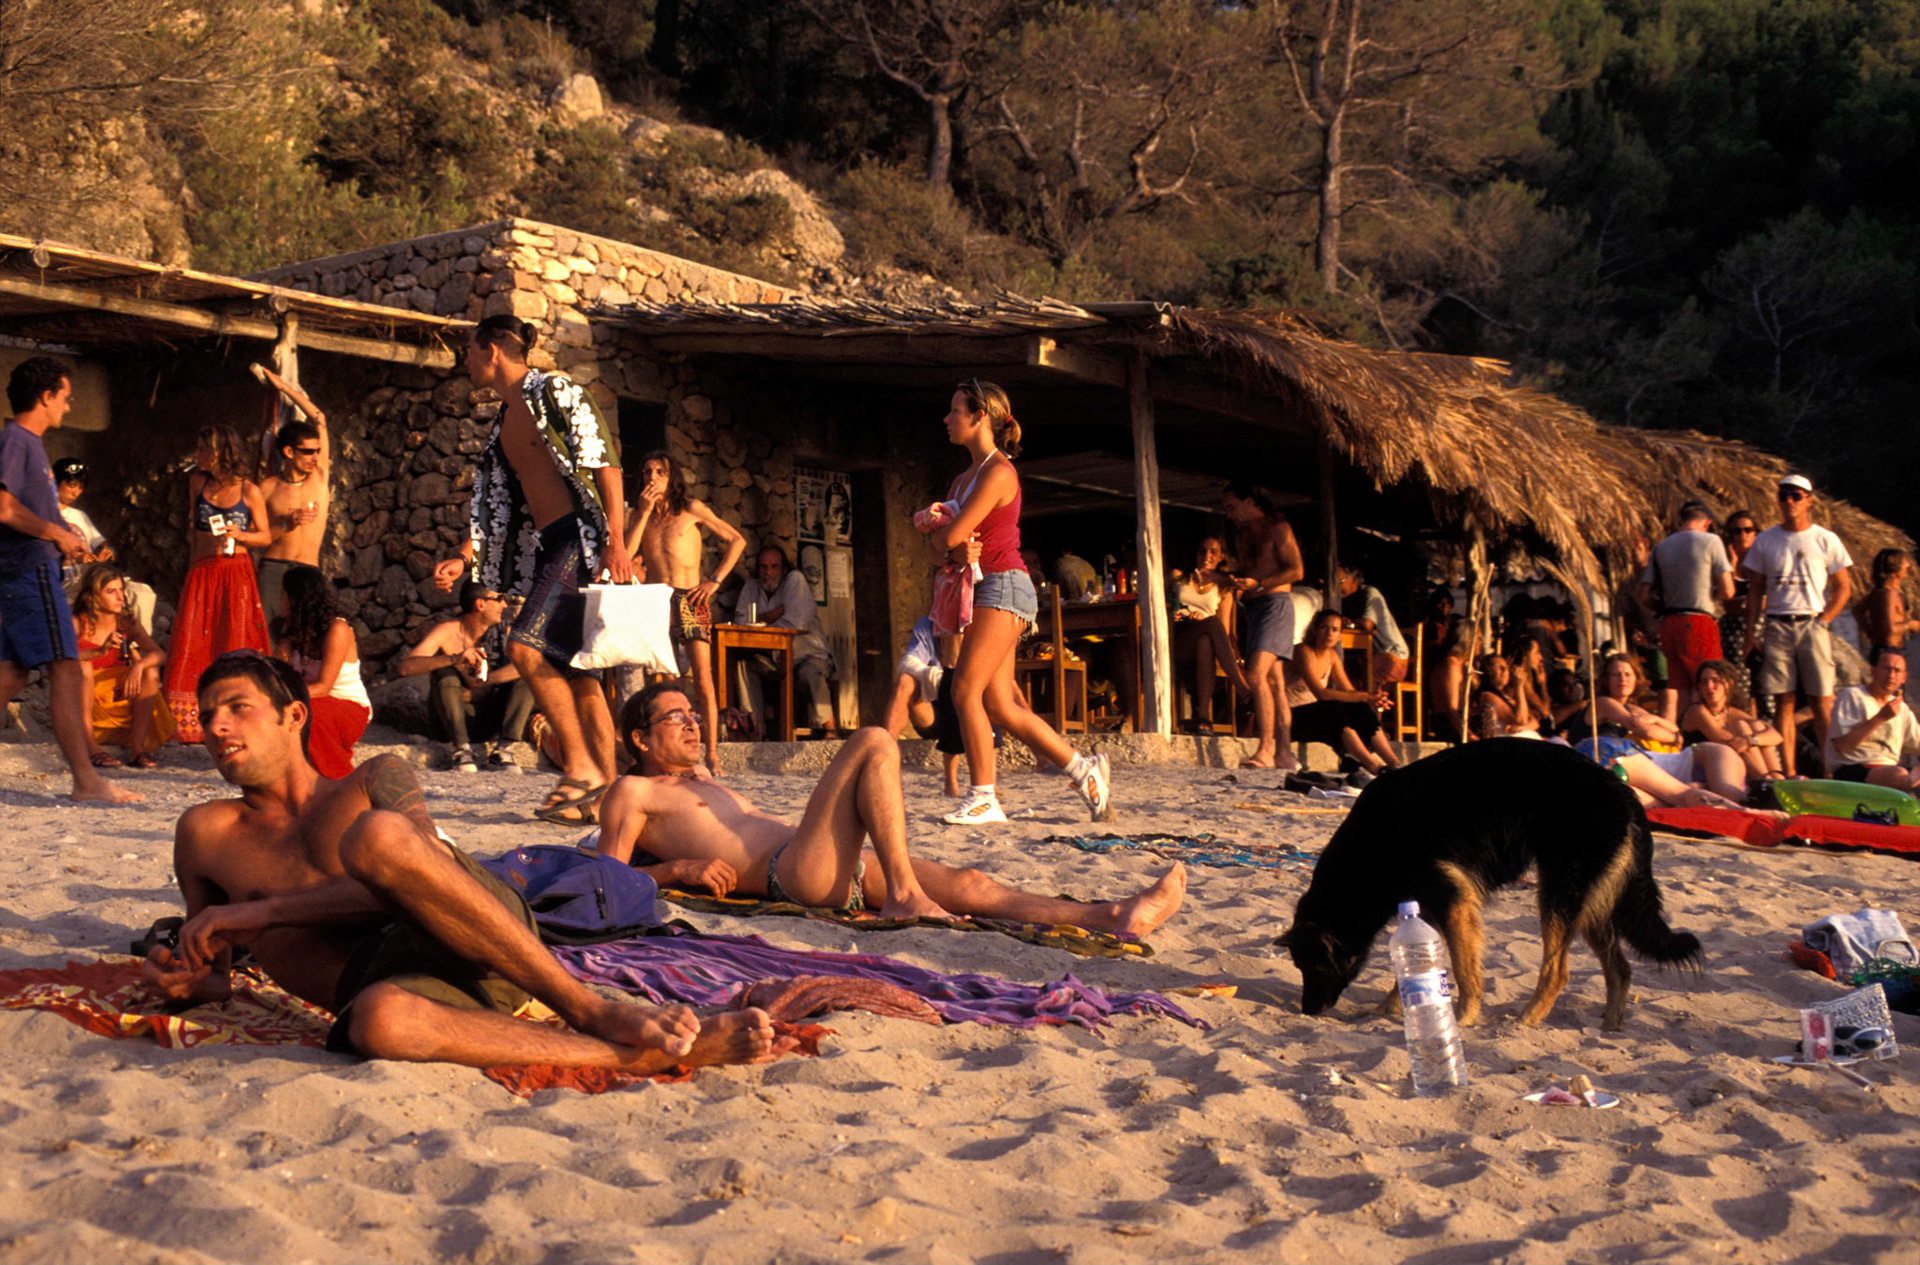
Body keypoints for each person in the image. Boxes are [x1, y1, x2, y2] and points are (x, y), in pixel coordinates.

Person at [142, 652, 775, 1072]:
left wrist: (268, 912)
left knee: (377, 838)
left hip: (478, 935)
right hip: (392, 985)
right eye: (209, 715)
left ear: (294, 716)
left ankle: (591, 1008)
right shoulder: (205, 833)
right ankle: (627, 1057)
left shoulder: (372, 778)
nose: (216, 727)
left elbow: (418, 872)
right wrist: (190, 980)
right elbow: (215, 966)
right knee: (378, 1025)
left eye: (237, 708)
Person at [597, 684, 1186, 935]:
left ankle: (1112, 916)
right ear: (641, 741)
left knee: (970, 882)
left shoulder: (700, 778)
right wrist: (676, 872)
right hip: (791, 875)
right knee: (876, 739)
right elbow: (600, 882)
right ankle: (904, 893)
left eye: (694, 714)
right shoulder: (632, 793)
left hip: (828, 862)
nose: (693, 723)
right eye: (676, 718)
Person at [435, 316, 633, 825]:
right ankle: (604, 796)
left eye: (469, 349)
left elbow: (605, 463)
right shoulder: (505, 419)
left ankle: (583, 767)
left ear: (493, 349)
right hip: (548, 544)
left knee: (525, 647)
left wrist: (615, 542)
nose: (465, 359)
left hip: (579, 538)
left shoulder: (555, 390)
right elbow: (502, 507)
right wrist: (465, 556)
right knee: (579, 671)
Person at [924, 380, 1112, 825]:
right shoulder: (962, 478)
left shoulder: (998, 473)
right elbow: (937, 551)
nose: (946, 419)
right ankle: (1084, 770)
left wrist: (944, 543)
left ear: (979, 417)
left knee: (963, 689)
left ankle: (984, 796)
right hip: (987, 587)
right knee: (1002, 705)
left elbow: (947, 537)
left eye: (954, 410)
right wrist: (944, 546)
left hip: (1005, 586)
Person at [0, 360, 140, 803]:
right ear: (45, 396)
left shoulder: (29, 445)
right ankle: (86, 780)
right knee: (66, 669)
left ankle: (86, 779)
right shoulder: (17, 440)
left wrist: (65, 538)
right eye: (64, 395)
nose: (69, 402)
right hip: (30, 571)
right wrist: (56, 533)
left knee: (11, 673)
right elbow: (2, 508)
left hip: (23, 568)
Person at [627, 449, 745, 775]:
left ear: (671, 477)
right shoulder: (642, 515)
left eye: (659, 472)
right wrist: (643, 511)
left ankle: (712, 755)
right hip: (656, 598)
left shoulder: (691, 509)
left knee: (703, 678)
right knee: (659, 679)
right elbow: (627, 553)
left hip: (690, 597)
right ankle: (663, 753)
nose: (652, 478)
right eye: (647, 472)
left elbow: (736, 540)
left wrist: (714, 581)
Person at [161, 424, 273, 743]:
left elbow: (264, 536)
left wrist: (241, 536)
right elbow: (192, 530)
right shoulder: (197, 482)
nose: (197, 455)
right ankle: (188, 723)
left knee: (234, 638)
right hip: (203, 571)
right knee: (194, 640)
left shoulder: (249, 491)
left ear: (220, 452)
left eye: (202, 449)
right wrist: (193, 571)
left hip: (235, 571)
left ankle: (241, 717)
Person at [1740, 474, 1854, 778]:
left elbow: (1843, 586)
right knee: (1784, 700)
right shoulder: (1766, 540)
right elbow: (1755, 588)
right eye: (1783, 495)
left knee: (1821, 701)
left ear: (1809, 500)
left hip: (1811, 621)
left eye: (1795, 495)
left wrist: (1824, 620)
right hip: (1777, 622)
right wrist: (1752, 632)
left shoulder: (1824, 538)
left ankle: (1832, 771)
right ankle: (1789, 771)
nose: (1789, 501)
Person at [399, 580, 532, 772]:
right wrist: (454, 660)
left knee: (526, 677)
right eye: (500, 599)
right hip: (451, 720)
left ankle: (504, 749)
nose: (505, 605)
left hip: (489, 717)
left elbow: (527, 666)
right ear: (480, 604)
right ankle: (461, 750)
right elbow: (406, 667)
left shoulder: (505, 632)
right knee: (444, 673)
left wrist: (484, 683)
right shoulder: (448, 631)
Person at [1221, 483, 1305, 771]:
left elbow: (1296, 570)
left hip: (1276, 604)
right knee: (1275, 683)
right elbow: (1249, 573)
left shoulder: (1279, 528)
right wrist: (1226, 579)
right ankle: (1284, 754)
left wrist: (1259, 584)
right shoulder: (1245, 535)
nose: (1229, 514)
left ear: (1249, 501)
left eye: (1232, 506)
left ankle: (1266, 749)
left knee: (1255, 675)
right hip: (1255, 608)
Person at [1637, 501, 1734, 722]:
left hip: (1669, 624)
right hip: (1698, 621)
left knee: (1680, 692)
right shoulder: (1711, 541)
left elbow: (1644, 596)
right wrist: (1711, 596)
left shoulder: (1662, 547)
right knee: (1712, 687)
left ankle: (1684, 742)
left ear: (1680, 522)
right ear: (1707, 523)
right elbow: (1728, 590)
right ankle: (1711, 739)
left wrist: (1663, 606)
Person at [271, 564, 370, 780]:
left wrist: (282, 699)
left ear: (295, 599)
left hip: (345, 705)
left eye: (283, 595)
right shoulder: (293, 628)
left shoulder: (337, 629)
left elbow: (325, 686)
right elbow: (278, 674)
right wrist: (285, 636)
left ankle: (337, 779)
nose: (280, 601)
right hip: (307, 698)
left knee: (307, 712)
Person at [252, 364, 331, 629]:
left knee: (308, 637)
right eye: (308, 452)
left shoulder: (319, 478)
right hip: (273, 570)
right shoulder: (268, 487)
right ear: (288, 452)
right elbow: (253, 537)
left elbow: (318, 417)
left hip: (308, 569)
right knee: (269, 637)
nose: (315, 457)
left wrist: (284, 387)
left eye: (317, 451)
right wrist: (286, 524)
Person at [70, 563, 172, 769]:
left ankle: (137, 750)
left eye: (120, 591)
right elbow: (60, 659)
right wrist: (99, 652)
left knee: (150, 671)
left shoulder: (125, 622)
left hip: (119, 694)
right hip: (85, 698)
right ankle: (91, 747)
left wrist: (139, 665)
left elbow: (160, 653)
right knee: (84, 667)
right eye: (111, 592)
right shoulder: (78, 622)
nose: (120, 597)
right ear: (94, 595)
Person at [731, 545, 836, 739]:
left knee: (809, 672)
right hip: (773, 659)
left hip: (806, 655)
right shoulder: (751, 587)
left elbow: (794, 623)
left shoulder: (795, 581)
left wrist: (759, 622)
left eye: (774, 566)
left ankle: (829, 729)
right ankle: (755, 727)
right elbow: (740, 622)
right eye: (763, 567)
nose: (768, 572)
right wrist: (771, 615)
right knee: (743, 664)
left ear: (784, 568)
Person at [1286, 610, 1402, 782]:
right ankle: (1374, 766)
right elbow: (1321, 693)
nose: (1329, 633)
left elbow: (1348, 691)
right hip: (1291, 718)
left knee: (1358, 707)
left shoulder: (1331, 655)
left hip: (1316, 715)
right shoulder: (1303, 651)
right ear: (1314, 630)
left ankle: (1395, 765)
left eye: (1334, 630)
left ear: (1340, 636)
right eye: (1324, 628)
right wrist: (1365, 697)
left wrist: (1373, 698)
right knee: (1331, 707)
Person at [52, 458, 157, 630]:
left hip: (91, 576)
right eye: (72, 485)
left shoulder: (80, 516)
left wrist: (106, 550)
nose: (77, 492)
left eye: (81, 486)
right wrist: (76, 557)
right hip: (64, 578)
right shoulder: (41, 515)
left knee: (142, 593)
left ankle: (137, 649)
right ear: (55, 482)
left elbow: (101, 543)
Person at [1172, 536, 1252, 731]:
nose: (1206, 555)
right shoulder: (1178, 577)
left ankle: (1203, 716)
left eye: (1213, 551)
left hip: (1207, 638)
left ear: (1221, 556)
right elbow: (1158, 600)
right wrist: (1171, 612)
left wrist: (1204, 622)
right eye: (1202, 550)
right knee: (1209, 630)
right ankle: (1243, 689)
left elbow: (1223, 629)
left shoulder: (1223, 588)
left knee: (1206, 640)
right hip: (1177, 635)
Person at [1826, 649, 1920, 790]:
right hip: (1855, 769)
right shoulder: (1853, 696)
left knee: (1900, 774)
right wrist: (1881, 717)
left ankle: (1908, 782)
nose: (1891, 676)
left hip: (1888, 770)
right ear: (1873, 671)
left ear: (1903, 678)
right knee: (1898, 774)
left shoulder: (1902, 708)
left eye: (1897, 671)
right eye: (1886, 669)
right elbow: (1842, 746)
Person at [1682, 658, 1784, 781]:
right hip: (1699, 767)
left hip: (1724, 763)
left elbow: (1776, 736)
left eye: (1716, 680)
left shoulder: (1730, 711)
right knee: (1740, 728)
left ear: (1729, 684)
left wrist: (1750, 740)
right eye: (1704, 682)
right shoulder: (1697, 711)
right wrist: (1765, 777)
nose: (1709, 687)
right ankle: (1768, 782)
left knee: (1756, 727)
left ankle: (1778, 779)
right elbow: (1731, 744)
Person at [1336, 565, 1409, 688]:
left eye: (1339, 581)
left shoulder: (1369, 593)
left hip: (1392, 657)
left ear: (1353, 579)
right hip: (1368, 654)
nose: (1335, 586)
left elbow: (1367, 624)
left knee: (1347, 669)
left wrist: (1348, 622)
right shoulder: (1341, 598)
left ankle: (1363, 703)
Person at [1594, 651, 1683, 750]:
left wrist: (1656, 719)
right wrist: (1675, 738)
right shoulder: (1603, 703)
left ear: (1636, 679)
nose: (1623, 679)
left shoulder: (1631, 709)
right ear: (1606, 680)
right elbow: (1648, 732)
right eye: (1616, 674)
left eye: (1628, 674)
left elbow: (1674, 729)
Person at [1718, 509, 1761, 705]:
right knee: (1738, 683)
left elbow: (1764, 601)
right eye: (1737, 531)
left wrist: (1743, 604)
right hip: (1733, 629)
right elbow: (1726, 601)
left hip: (1761, 627)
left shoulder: (1762, 564)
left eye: (1748, 530)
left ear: (1755, 533)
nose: (1742, 535)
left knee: (1764, 686)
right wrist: (1732, 567)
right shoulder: (1725, 564)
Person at [1859, 548, 1919, 659]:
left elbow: (1857, 610)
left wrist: (1872, 633)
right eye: (1904, 561)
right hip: (1889, 651)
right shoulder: (1888, 595)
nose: (1908, 565)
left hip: (1886, 649)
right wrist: (1910, 625)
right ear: (1895, 568)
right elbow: (1890, 629)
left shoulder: (1883, 591)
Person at [1470, 652, 1540, 738]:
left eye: (1506, 667)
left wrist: (1522, 728)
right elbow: (1520, 719)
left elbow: (1534, 721)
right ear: (1488, 671)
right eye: (1499, 667)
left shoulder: (1506, 696)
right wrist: (1519, 687)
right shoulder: (1487, 696)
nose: (1504, 670)